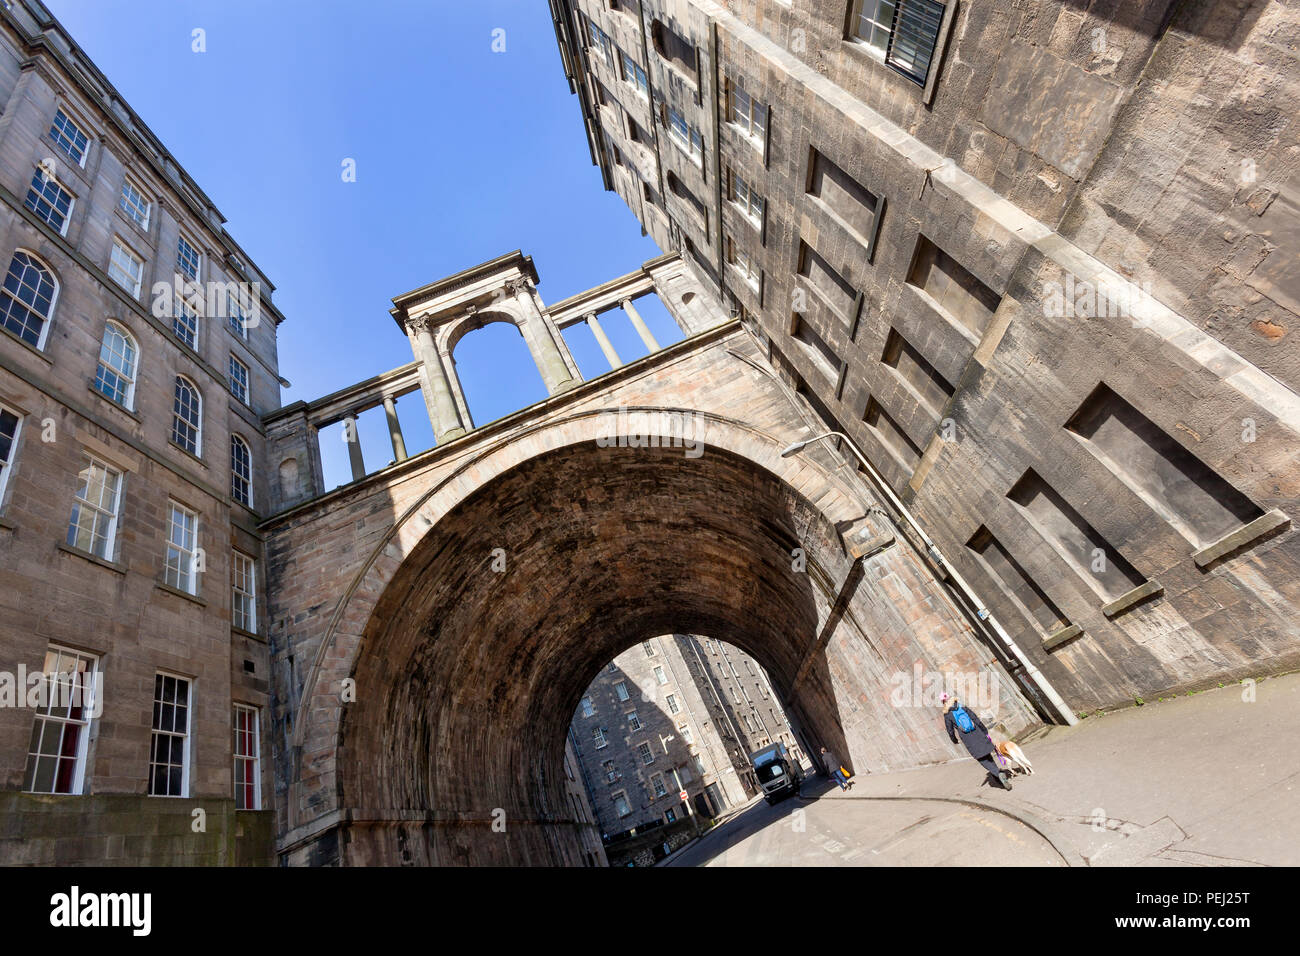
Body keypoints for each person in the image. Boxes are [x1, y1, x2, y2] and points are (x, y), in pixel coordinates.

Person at [942, 692, 1011, 790]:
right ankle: (999, 777)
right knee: (987, 754)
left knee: (981, 758)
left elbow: (950, 731)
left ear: (943, 703)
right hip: (977, 733)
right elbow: (975, 718)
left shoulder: (947, 715)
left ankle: (998, 773)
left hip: (968, 739)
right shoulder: (962, 707)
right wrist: (984, 730)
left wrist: (954, 740)